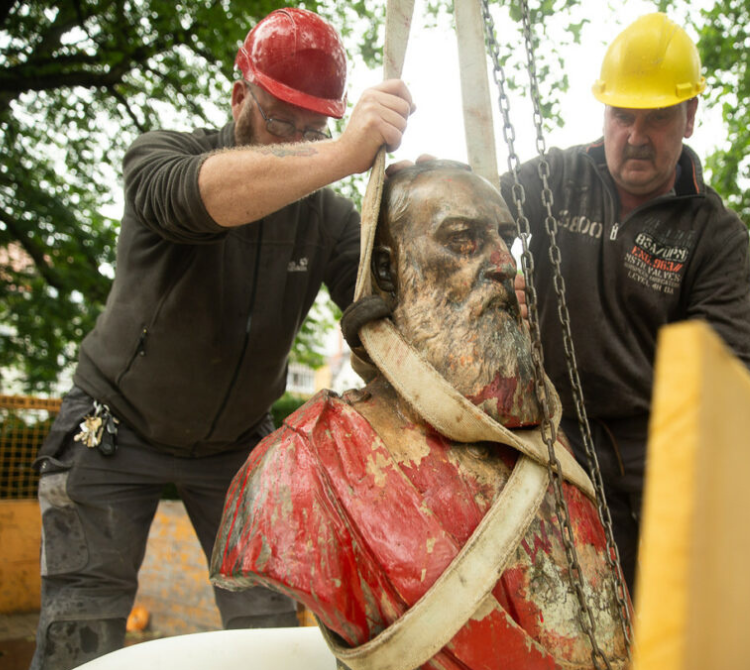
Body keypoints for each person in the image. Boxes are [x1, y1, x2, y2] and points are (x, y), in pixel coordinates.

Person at [29, 8, 414, 669]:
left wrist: (416, 213)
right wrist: (340, 152)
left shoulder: (329, 217)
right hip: (112, 428)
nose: (295, 140)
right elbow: (205, 198)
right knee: (79, 629)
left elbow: (382, 311)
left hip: (235, 445)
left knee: (266, 625)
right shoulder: (161, 159)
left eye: (311, 128)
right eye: (279, 121)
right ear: (241, 96)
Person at [211, 161, 631, 670]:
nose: (504, 263)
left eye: (504, 241)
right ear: (389, 271)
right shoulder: (306, 467)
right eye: (462, 240)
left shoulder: (549, 446)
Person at [501, 12, 750, 596]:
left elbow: (731, 375)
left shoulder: (713, 233)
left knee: (664, 611)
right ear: (605, 113)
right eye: (622, 116)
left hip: (656, 451)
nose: (635, 136)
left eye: (658, 119)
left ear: (690, 117)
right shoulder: (558, 177)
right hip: (552, 425)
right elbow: (472, 214)